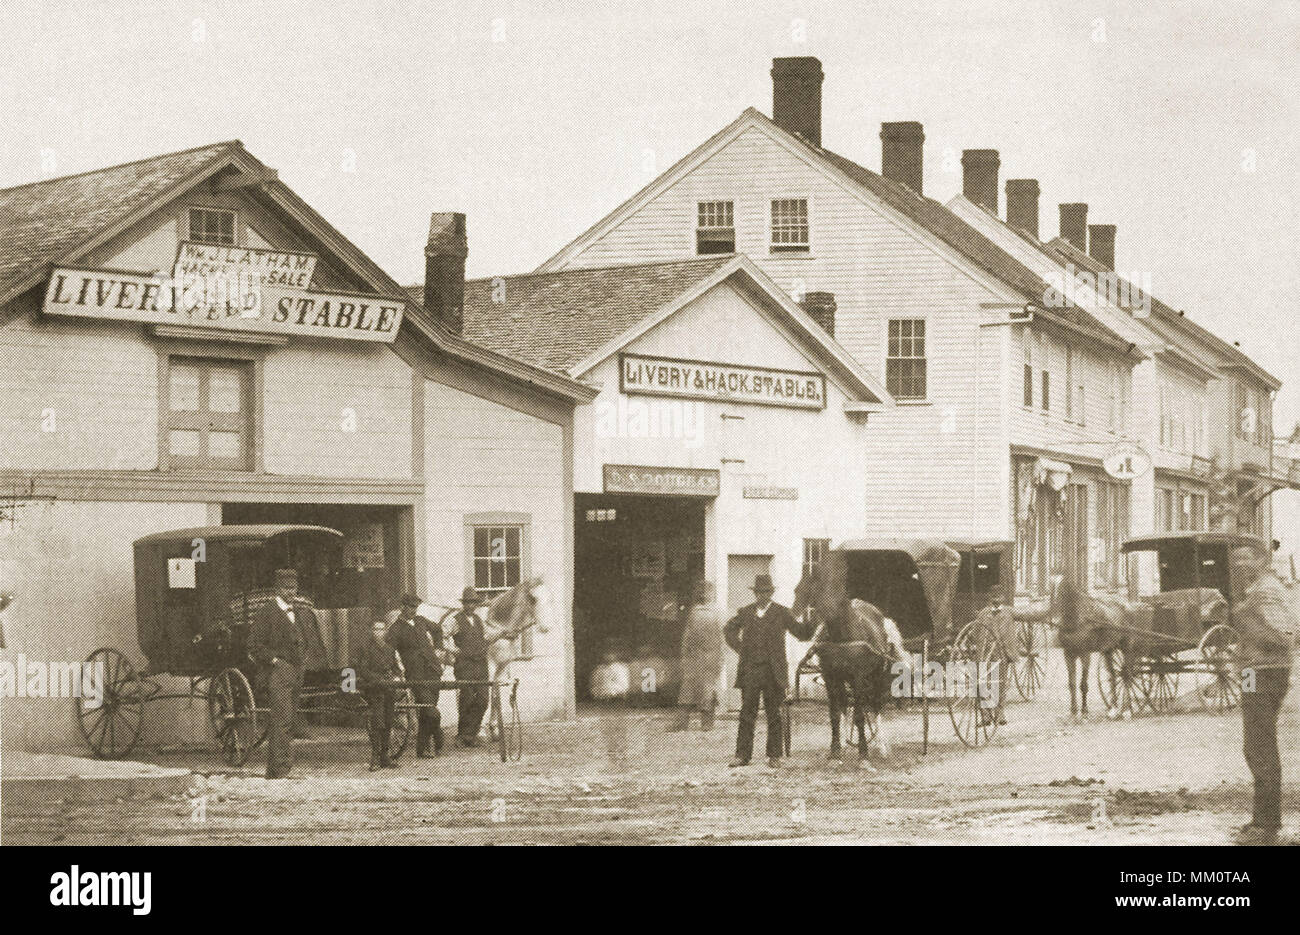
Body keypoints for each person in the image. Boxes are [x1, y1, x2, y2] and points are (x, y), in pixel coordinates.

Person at [1231, 543, 1296, 845]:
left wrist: (1246, 621)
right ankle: (1262, 818)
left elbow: (1285, 636)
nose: (1240, 564)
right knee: (1253, 742)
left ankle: (1267, 822)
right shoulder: (1256, 589)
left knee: (1259, 744)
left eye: (1247, 558)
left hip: (1264, 672)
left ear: (1262, 560)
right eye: (1236, 560)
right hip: (1250, 672)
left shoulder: (1266, 590)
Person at [724, 574, 802, 768]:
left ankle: (774, 756)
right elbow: (728, 630)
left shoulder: (782, 613)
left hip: (773, 672)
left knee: (773, 713)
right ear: (755, 593)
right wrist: (741, 648)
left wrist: (818, 622)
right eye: (759, 592)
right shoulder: (745, 612)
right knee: (747, 713)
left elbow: (801, 632)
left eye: (766, 592)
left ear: (771, 593)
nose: (762, 596)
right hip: (750, 671)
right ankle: (742, 755)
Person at [248, 568, 305, 779]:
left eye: (293, 588)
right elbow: (254, 645)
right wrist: (274, 661)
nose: (291, 592)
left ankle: (280, 768)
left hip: (296, 671)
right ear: (277, 589)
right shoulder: (267, 613)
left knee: (289, 720)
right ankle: (279, 769)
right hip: (277, 672)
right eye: (286, 588)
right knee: (281, 720)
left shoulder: (296, 611)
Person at [386, 594, 444, 757]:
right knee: (431, 711)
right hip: (416, 676)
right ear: (402, 607)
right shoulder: (395, 629)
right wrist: (397, 670)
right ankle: (438, 736)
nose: (413, 610)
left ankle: (422, 749)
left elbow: (438, 630)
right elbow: (389, 653)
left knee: (427, 712)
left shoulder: (421, 621)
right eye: (410, 607)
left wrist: (439, 649)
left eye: (415, 607)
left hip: (433, 671)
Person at [671, 579, 724, 731]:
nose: (703, 594)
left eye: (705, 591)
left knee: (706, 690)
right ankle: (682, 722)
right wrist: (685, 656)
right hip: (696, 658)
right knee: (689, 688)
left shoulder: (716, 613)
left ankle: (706, 723)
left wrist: (720, 659)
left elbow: (722, 638)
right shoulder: (696, 612)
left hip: (709, 658)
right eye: (701, 591)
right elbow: (687, 637)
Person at [358, 618, 405, 770]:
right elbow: (363, 670)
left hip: (389, 689)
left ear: (385, 632)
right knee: (378, 722)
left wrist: (396, 677)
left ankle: (385, 756)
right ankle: (376, 757)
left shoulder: (390, 649)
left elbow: (396, 668)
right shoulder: (366, 649)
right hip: (375, 689)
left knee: (389, 721)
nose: (379, 632)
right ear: (372, 632)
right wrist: (378, 680)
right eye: (376, 629)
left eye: (382, 629)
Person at [447, 586, 491, 747]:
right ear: (463, 604)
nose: (470, 606)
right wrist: (453, 650)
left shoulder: (479, 621)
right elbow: (443, 636)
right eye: (467, 603)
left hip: (481, 665)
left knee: (483, 700)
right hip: (464, 665)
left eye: (473, 603)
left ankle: (471, 733)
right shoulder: (455, 620)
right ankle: (462, 734)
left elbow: (486, 638)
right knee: (466, 699)